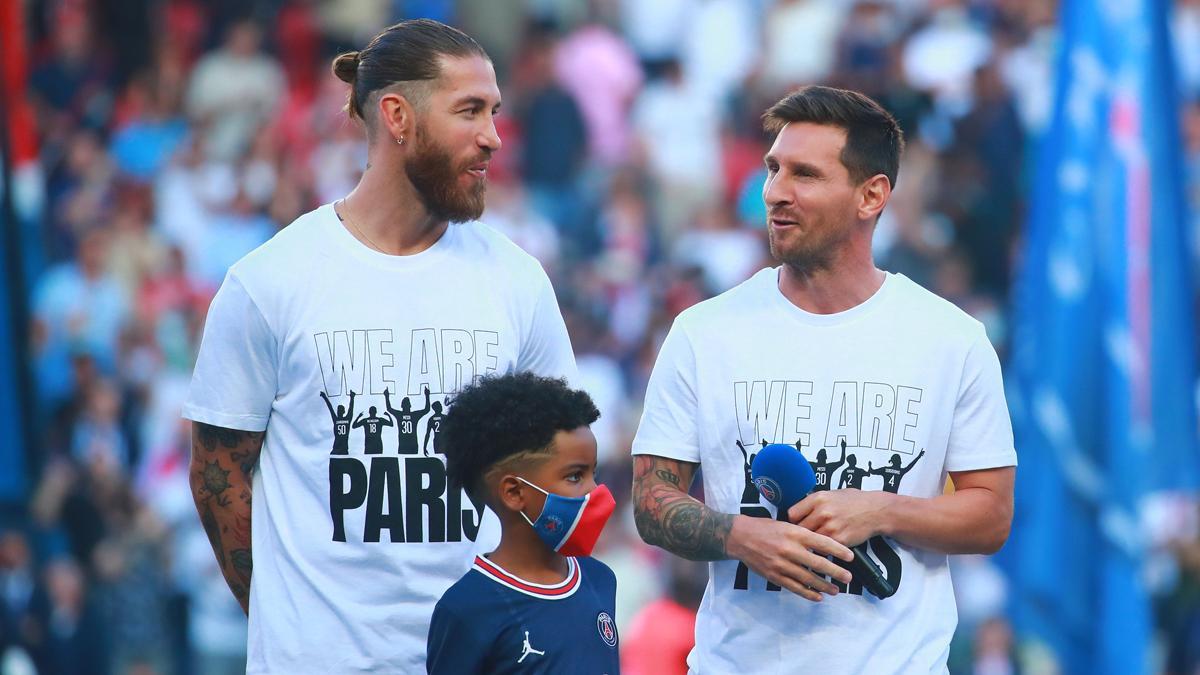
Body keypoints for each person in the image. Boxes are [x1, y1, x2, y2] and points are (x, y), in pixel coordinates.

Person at [183, 19, 577, 673]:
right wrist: (290, 620)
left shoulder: (517, 281)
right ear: (397, 116)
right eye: (470, 111)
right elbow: (218, 478)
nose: (493, 137)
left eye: (495, 112)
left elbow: (556, 475)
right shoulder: (270, 282)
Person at [631, 85, 1016, 673]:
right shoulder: (702, 332)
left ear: (871, 195)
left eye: (805, 175)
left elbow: (991, 516)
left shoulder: (951, 339)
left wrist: (881, 510)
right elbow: (652, 499)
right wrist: (741, 536)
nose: (775, 193)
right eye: (773, 169)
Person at [427, 372, 618, 674]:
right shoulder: (467, 608)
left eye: (594, 472)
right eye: (575, 476)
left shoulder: (601, 579)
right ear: (514, 493)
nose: (595, 491)